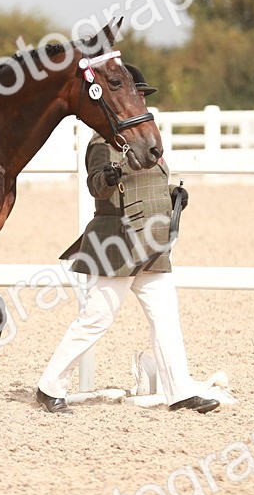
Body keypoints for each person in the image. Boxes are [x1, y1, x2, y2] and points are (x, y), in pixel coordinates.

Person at [36, 65, 220, 415]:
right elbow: (96, 185)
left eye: (140, 97)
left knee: (166, 317)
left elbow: (149, 184)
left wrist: (173, 196)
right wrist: (109, 174)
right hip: (118, 243)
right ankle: (50, 386)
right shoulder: (102, 142)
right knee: (97, 318)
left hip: (153, 243)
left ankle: (179, 390)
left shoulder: (148, 140)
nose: (137, 103)